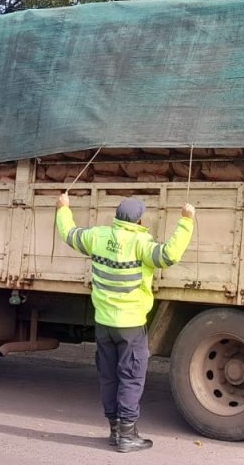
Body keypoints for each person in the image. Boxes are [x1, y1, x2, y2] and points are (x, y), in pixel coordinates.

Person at [56, 193, 195, 453]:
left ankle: (114, 430)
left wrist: (63, 208)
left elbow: (69, 234)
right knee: (131, 377)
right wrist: (186, 221)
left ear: (116, 216)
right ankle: (127, 435)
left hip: (104, 323)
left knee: (109, 377)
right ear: (140, 219)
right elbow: (168, 255)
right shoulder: (141, 242)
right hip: (130, 325)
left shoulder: (97, 236)